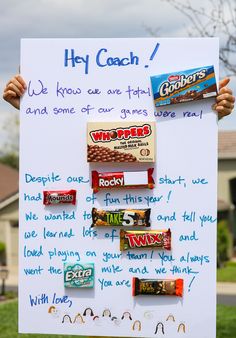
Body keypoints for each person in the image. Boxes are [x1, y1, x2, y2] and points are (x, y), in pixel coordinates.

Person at [2, 74, 235, 338]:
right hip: (100, 313)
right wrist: (33, 109)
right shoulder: (83, 167)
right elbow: (60, 145)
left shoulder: (165, 139)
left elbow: (182, 143)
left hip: (166, 309)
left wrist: (209, 111)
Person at [3, 74, 235, 117]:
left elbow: (182, 140)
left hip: (168, 208)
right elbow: (66, 124)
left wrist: (212, 111)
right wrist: (29, 106)